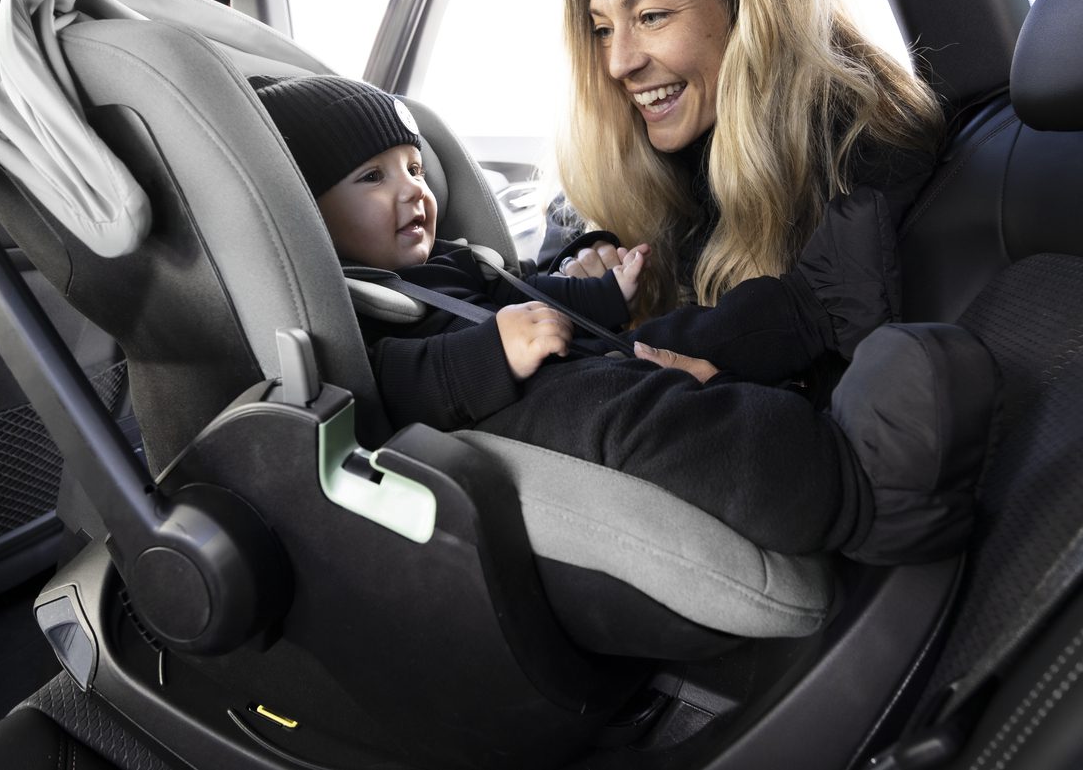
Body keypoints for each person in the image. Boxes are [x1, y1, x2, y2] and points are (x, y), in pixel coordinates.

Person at [253, 73, 996, 567]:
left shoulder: (441, 261)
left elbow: (529, 294)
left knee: (682, 334)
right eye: (372, 178)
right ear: (303, 213)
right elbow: (388, 384)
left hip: (553, 358)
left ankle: (815, 308)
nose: (411, 189)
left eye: (414, 167)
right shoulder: (349, 301)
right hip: (507, 411)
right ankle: (853, 489)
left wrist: (605, 295)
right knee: (643, 408)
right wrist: (491, 353)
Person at [545, 0, 944, 372]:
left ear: (750, 1)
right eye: (601, 28)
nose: (618, 63)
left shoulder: (867, 163)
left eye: (652, 16)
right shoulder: (646, 156)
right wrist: (584, 271)